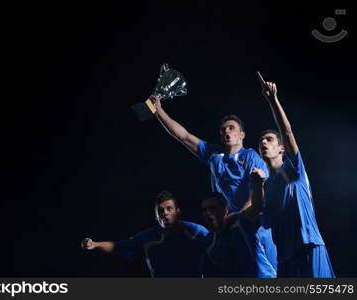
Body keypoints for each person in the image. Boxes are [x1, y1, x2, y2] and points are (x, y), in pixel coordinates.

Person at [151, 95, 277, 271]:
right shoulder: (213, 154)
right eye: (223, 129)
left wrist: (237, 219)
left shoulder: (251, 157)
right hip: (226, 228)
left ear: (242, 135)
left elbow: (256, 196)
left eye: (231, 128)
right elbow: (183, 136)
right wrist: (157, 110)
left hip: (254, 227)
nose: (226, 131)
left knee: (266, 276)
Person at [256, 71, 335, 277]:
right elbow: (264, 221)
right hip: (285, 260)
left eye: (270, 140)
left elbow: (287, 132)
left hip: (310, 247)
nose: (264, 142)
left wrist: (273, 100)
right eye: (261, 141)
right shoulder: (265, 185)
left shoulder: (292, 169)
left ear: (281, 148)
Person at [81, 191, 209, 277]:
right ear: (156, 216)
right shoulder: (148, 237)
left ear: (178, 211)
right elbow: (118, 246)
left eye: (169, 208)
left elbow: (218, 249)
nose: (165, 213)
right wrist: (95, 244)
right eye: (160, 210)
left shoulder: (197, 232)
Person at [201, 169, 276, 278]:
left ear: (225, 210)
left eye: (212, 208)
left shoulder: (239, 222)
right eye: (204, 210)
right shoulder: (208, 244)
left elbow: (257, 207)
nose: (208, 213)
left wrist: (258, 183)